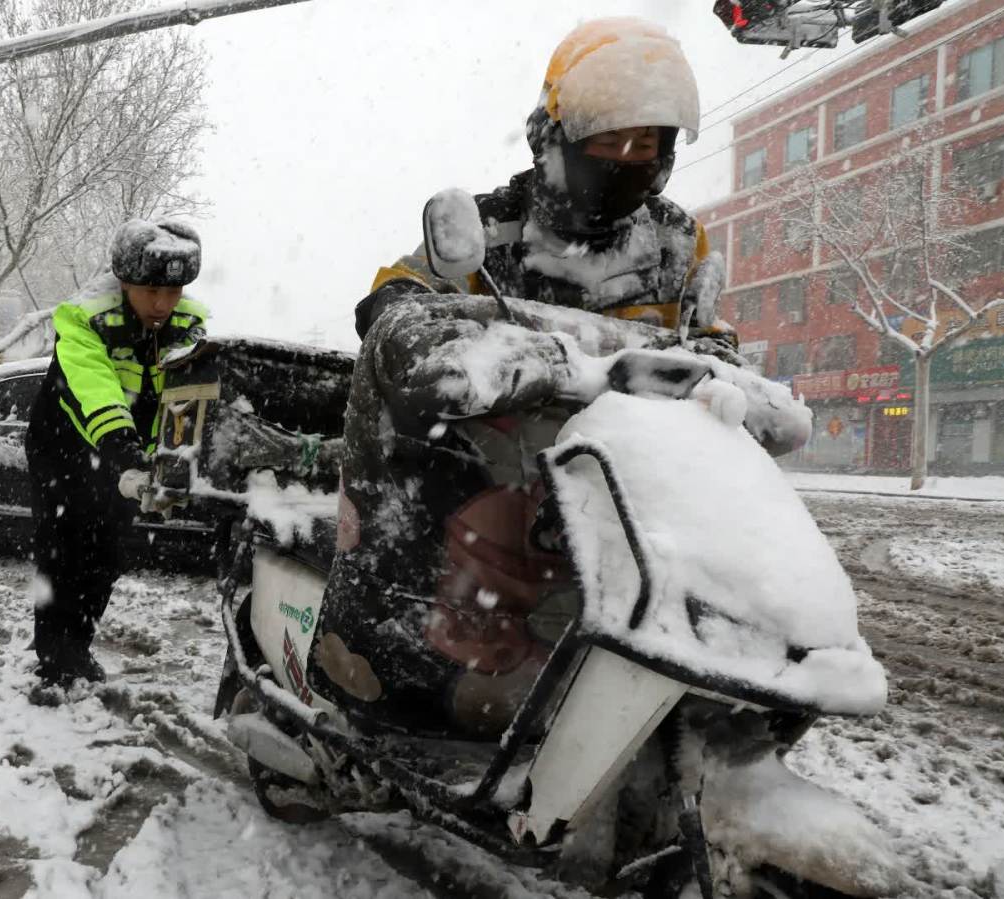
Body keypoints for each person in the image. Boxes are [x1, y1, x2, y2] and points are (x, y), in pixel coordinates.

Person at [311, 18, 789, 737]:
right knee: (424, 516)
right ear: (555, 137)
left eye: (645, 143)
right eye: (607, 141)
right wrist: (431, 334)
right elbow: (398, 295)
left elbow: (703, 334)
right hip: (492, 465)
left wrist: (726, 367)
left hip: (622, 472)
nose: (627, 158)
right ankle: (373, 658)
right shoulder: (487, 226)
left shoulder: (674, 240)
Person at [25, 218, 208, 686]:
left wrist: (177, 460)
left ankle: (78, 647)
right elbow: (96, 390)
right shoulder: (83, 319)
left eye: (174, 291)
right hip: (63, 451)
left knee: (107, 556)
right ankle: (54, 660)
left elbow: (185, 398)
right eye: (151, 290)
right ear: (125, 280)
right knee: (63, 553)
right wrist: (124, 455)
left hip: (124, 458)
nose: (163, 304)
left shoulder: (188, 326)